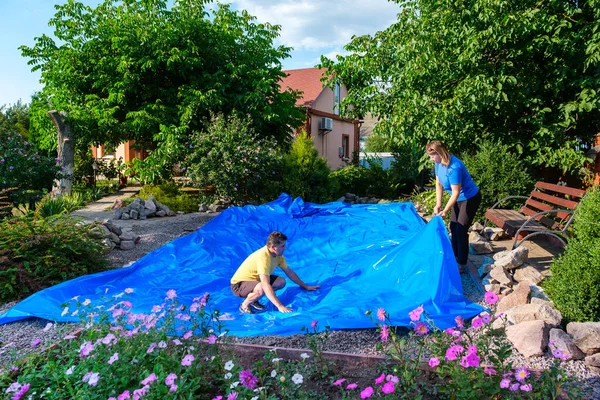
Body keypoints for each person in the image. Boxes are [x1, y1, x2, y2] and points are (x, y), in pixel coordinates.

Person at [230, 231, 320, 313]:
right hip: (238, 285)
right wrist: (280, 306)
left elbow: (289, 272)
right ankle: (244, 305)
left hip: (255, 280)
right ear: (273, 247)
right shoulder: (263, 258)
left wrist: (305, 286)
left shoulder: (278, 255)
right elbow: (265, 284)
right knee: (262, 288)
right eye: (282, 246)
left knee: (281, 282)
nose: (284, 248)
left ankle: (254, 299)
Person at [426, 140, 481, 272]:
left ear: (440, 153)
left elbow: (455, 193)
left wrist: (445, 210)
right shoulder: (438, 163)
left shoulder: (453, 167)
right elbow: (438, 184)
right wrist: (438, 203)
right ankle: (455, 256)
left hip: (469, 198)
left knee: (461, 229)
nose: (431, 158)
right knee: (453, 226)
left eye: (432, 155)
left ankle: (461, 263)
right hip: (457, 199)